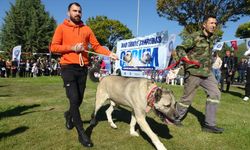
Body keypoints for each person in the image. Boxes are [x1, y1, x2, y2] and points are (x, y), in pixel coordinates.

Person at [50, 2, 118, 148]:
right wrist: (71, 48)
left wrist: (109, 53)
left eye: (79, 11)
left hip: (82, 69)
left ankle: (69, 115)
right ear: (68, 13)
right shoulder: (61, 28)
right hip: (67, 67)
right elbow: (54, 47)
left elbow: (97, 46)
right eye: (74, 11)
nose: (77, 13)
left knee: (78, 101)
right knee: (74, 99)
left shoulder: (86, 29)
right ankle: (82, 133)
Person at [174, 15, 224, 134]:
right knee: (187, 98)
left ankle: (209, 125)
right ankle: (174, 117)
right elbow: (180, 48)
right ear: (204, 25)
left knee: (215, 93)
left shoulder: (211, 39)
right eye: (211, 23)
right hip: (194, 72)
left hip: (207, 72)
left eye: (215, 24)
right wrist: (185, 58)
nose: (214, 25)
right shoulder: (195, 36)